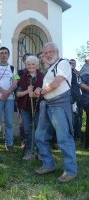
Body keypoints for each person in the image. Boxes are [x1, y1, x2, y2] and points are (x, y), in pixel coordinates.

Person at [34, 42, 77, 183]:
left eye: (50, 52)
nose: (47, 55)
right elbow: (46, 86)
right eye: (45, 53)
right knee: (40, 136)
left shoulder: (63, 63)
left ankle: (70, 171)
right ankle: (48, 165)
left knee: (64, 138)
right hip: (46, 104)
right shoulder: (50, 69)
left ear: (57, 52)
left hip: (59, 103)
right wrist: (38, 90)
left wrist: (42, 90)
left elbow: (57, 83)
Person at [0, 47, 19, 152]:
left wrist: (7, 93)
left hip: (10, 98)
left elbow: (15, 83)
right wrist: (3, 92)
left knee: (9, 122)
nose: (4, 55)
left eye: (6, 53)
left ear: (8, 55)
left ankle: (9, 144)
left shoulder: (12, 68)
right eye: (1, 53)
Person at [16, 55, 44, 160]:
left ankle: (39, 151)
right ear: (26, 65)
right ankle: (29, 151)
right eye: (28, 64)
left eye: (33, 64)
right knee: (27, 129)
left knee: (38, 129)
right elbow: (18, 94)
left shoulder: (42, 76)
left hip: (39, 107)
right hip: (25, 107)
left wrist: (39, 92)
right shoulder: (22, 77)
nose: (31, 66)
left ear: (37, 65)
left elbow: (46, 91)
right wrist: (27, 91)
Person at [69, 59, 82, 141]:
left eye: (74, 63)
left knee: (79, 117)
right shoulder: (69, 72)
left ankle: (78, 136)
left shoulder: (78, 73)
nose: (72, 64)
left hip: (79, 97)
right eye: (71, 63)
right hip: (72, 98)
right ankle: (73, 136)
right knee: (73, 118)